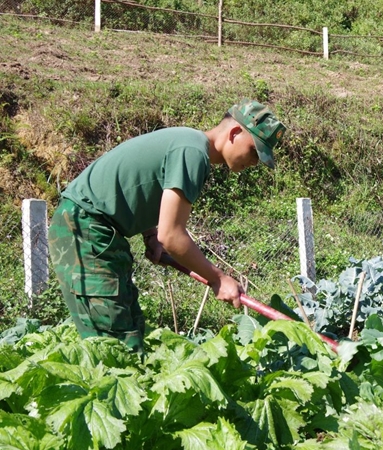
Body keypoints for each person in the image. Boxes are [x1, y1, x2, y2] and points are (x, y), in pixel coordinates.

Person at [48, 98, 287, 351]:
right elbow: (172, 235)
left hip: (98, 230)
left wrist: (149, 235)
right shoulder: (192, 152)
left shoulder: (189, 144)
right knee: (114, 348)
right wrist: (218, 278)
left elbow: (139, 186)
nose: (255, 162)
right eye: (254, 151)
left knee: (130, 331)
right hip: (84, 231)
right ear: (236, 132)